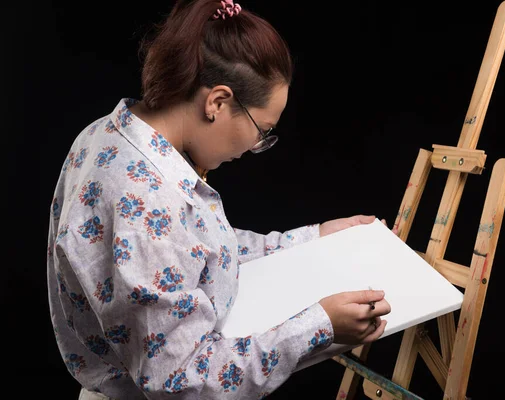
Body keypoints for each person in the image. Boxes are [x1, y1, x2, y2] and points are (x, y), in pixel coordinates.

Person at [47, 1, 393, 398]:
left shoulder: (109, 134)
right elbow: (181, 381)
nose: (255, 146)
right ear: (217, 102)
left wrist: (315, 236)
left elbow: (196, 251)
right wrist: (317, 327)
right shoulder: (144, 201)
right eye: (262, 129)